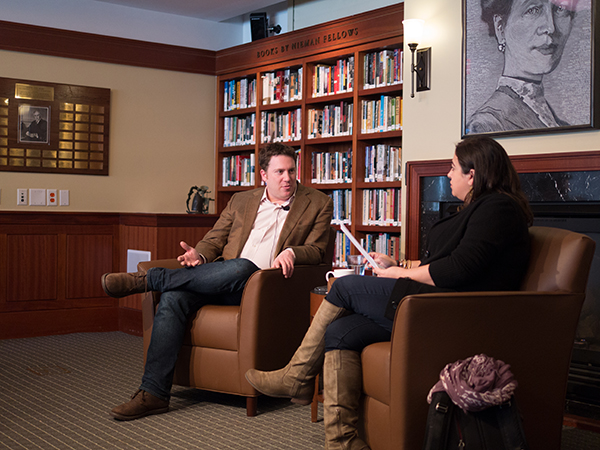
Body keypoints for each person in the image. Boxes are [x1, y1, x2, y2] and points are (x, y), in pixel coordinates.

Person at [246, 136, 533, 449]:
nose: (448, 174)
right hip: (439, 301)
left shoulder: (499, 208)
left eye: (453, 168)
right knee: (341, 330)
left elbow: (459, 270)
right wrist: (399, 264)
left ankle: (296, 377)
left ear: (472, 174)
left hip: (452, 311)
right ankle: (343, 442)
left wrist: (401, 273)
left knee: (344, 286)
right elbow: (452, 263)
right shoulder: (483, 208)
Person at [101, 142, 333, 421]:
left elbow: (318, 251)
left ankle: (151, 279)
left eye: (291, 171)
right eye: (280, 172)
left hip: (265, 289)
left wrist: (292, 251)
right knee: (174, 298)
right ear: (263, 175)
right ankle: (154, 394)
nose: (287, 178)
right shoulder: (241, 200)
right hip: (221, 280)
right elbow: (215, 239)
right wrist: (199, 254)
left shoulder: (318, 203)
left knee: (243, 267)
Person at [466, 0, 577, 134]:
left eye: (560, 9)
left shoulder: (558, 123)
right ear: (500, 27)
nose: (551, 27)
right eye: (533, 10)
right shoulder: (486, 124)